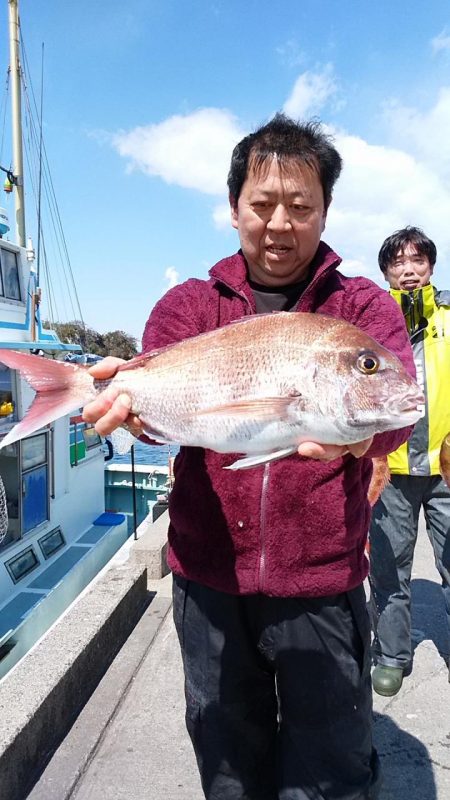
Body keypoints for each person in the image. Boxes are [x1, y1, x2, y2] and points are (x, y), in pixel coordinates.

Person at [83, 114, 416, 800]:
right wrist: (129, 412)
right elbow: (165, 427)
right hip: (209, 581)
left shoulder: (363, 309)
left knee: (332, 768)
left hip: (322, 586)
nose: (280, 223)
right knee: (229, 760)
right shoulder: (187, 306)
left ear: (326, 210)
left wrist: (362, 439)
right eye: (262, 205)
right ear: (234, 207)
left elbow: (394, 415)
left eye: (301, 206)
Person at [369, 226, 450, 698]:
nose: (409, 270)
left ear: (431, 267)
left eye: (417, 260)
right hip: (392, 468)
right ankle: (392, 655)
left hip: (445, 467)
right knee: (389, 567)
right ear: (387, 273)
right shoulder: (374, 321)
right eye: (398, 263)